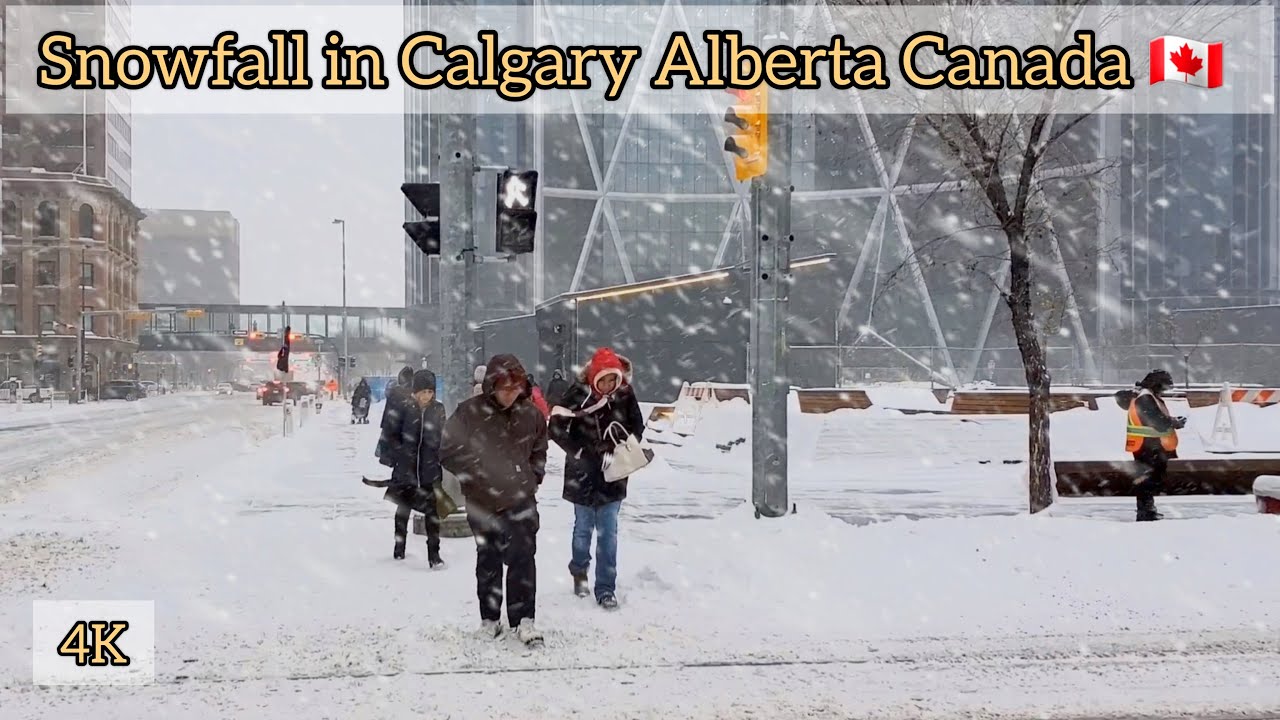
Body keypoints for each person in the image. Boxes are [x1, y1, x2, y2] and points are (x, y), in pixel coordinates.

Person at [441, 354, 548, 645]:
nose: (511, 394)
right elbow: (448, 450)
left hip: (521, 498)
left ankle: (524, 620)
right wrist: (474, 476)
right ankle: (490, 619)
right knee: (488, 559)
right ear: (491, 385)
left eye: (516, 388)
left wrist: (532, 477)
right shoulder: (469, 413)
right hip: (482, 500)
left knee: (523, 559)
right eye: (505, 388)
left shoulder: (531, 415)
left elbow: (540, 449)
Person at [548, 347, 644, 610]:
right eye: (603, 380)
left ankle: (605, 588)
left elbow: (637, 425)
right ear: (593, 377)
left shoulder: (624, 395)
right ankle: (579, 570)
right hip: (583, 476)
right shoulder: (578, 395)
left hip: (613, 475)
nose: (609, 385)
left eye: (613, 379)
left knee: (608, 534)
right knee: (582, 530)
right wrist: (579, 451)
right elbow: (555, 426)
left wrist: (622, 445)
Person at [385, 369, 448, 564]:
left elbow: (444, 437)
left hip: (429, 469)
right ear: (415, 391)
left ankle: (434, 554)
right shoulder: (405, 408)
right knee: (403, 509)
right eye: (423, 392)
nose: (427, 396)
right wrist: (400, 454)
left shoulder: (438, 409)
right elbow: (392, 435)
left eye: (430, 392)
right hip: (407, 469)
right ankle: (399, 547)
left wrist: (440, 456)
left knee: (433, 513)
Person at [1125, 369, 1185, 522]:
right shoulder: (1145, 398)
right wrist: (1173, 422)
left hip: (1149, 446)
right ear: (1156, 384)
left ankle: (1148, 509)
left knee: (1148, 479)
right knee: (1147, 480)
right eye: (1164, 387)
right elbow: (1156, 421)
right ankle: (1146, 511)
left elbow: (1156, 418)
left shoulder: (1148, 396)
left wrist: (1172, 420)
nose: (1164, 391)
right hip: (1147, 446)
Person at [377, 366, 415, 467]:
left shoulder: (395, 393)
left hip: (395, 432)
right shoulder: (410, 394)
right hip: (404, 432)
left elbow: (387, 416)